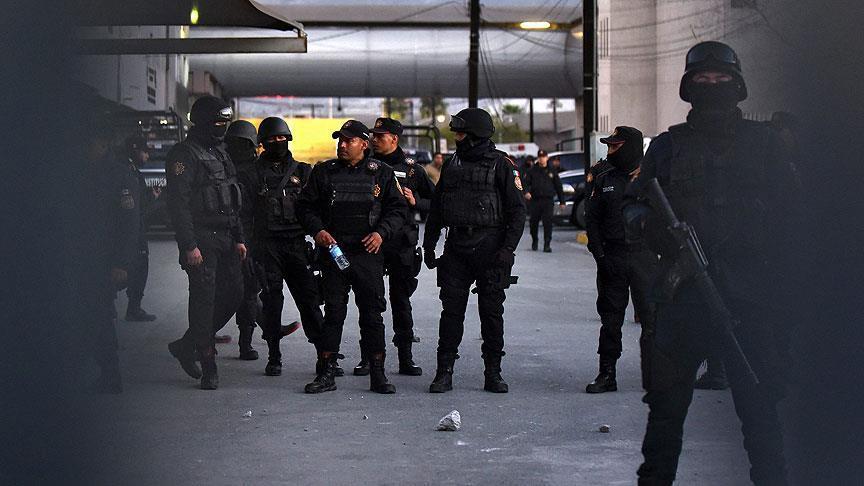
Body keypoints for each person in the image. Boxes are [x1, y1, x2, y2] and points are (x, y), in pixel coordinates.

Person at [625, 41, 798, 485]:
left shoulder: (765, 145)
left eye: (721, 79)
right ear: (689, 88)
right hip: (684, 299)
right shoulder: (667, 147)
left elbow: (795, 217)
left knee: (761, 416)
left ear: (737, 86)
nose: (712, 85)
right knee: (665, 419)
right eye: (703, 79)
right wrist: (652, 227)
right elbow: (632, 205)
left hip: (750, 300)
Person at [297, 119, 407, 394]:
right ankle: (326, 372)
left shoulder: (381, 173)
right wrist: (318, 230)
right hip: (335, 253)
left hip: (367, 254)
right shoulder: (324, 172)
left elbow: (398, 210)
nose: (342, 145)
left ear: (364, 144)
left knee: (372, 314)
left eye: (349, 141)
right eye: (340, 140)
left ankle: (377, 373)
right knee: (333, 313)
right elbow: (305, 207)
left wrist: (381, 233)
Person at [423, 108, 526, 394]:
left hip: (490, 247)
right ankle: (444, 372)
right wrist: (429, 245)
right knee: (451, 313)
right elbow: (437, 209)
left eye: (460, 133)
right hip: (456, 247)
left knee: (491, 313)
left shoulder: (502, 165)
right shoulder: (452, 164)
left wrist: (508, 249)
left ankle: (493, 373)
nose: (456, 138)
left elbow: (518, 211)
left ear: (475, 134)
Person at [165, 96, 246, 390]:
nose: (222, 127)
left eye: (225, 123)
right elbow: (178, 205)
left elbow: (231, 197)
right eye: (217, 122)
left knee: (235, 294)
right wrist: (189, 245)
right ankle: (208, 365)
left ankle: (187, 345)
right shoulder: (183, 155)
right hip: (201, 239)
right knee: (203, 301)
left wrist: (239, 237)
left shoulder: (220, 152)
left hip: (226, 236)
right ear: (201, 122)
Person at [347, 117, 435, 377]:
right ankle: (368, 357)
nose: (374, 140)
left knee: (401, 301)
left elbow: (436, 203)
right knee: (369, 301)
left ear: (394, 139)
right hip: (371, 241)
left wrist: (416, 201)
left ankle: (405, 358)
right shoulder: (364, 165)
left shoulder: (413, 170)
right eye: (373, 135)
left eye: (380, 136)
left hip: (400, 243)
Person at [245, 116, 327, 378]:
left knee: (309, 301)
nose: (278, 142)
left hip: (296, 246)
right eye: (272, 139)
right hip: (266, 247)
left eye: (282, 137)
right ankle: (274, 355)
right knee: (272, 303)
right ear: (263, 142)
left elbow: (316, 209)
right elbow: (245, 215)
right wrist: (248, 248)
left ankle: (324, 355)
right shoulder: (252, 174)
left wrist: (319, 240)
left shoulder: (303, 171)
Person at [583, 126, 657, 394]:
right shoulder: (604, 177)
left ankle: (653, 376)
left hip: (644, 256)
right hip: (613, 256)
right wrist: (599, 254)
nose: (610, 151)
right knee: (611, 319)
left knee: (651, 319)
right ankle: (607, 373)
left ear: (631, 148)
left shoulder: (652, 179)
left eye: (616, 146)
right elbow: (592, 219)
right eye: (609, 146)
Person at [225, 119, 262, 360]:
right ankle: (201, 338)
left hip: (248, 236)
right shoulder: (222, 166)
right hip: (226, 235)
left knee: (249, 291)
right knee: (227, 292)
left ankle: (245, 342)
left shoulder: (257, 170)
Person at [122, 135, 159, 322]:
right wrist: (150, 198)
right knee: (138, 267)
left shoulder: (131, 171)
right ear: (136, 150)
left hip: (134, 229)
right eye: (145, 152)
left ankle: (132, 307)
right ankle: (133, 308)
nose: (147, 156)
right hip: (131, 230)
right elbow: (134, 207)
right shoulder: (127, 172)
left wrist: (150, 196)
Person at [523, 149, 565, 252]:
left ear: (547, 158)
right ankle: (535, 240)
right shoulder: (532, 170)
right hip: (535, 200)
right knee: (533, 223)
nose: (542, 159)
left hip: (548, 200)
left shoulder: (552, 170)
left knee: (548, 223)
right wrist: (526, 192)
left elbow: (558, 186)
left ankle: (547, 244)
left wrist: (562, 201)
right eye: (540, 157)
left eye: (543, 157)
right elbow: (525, 184)